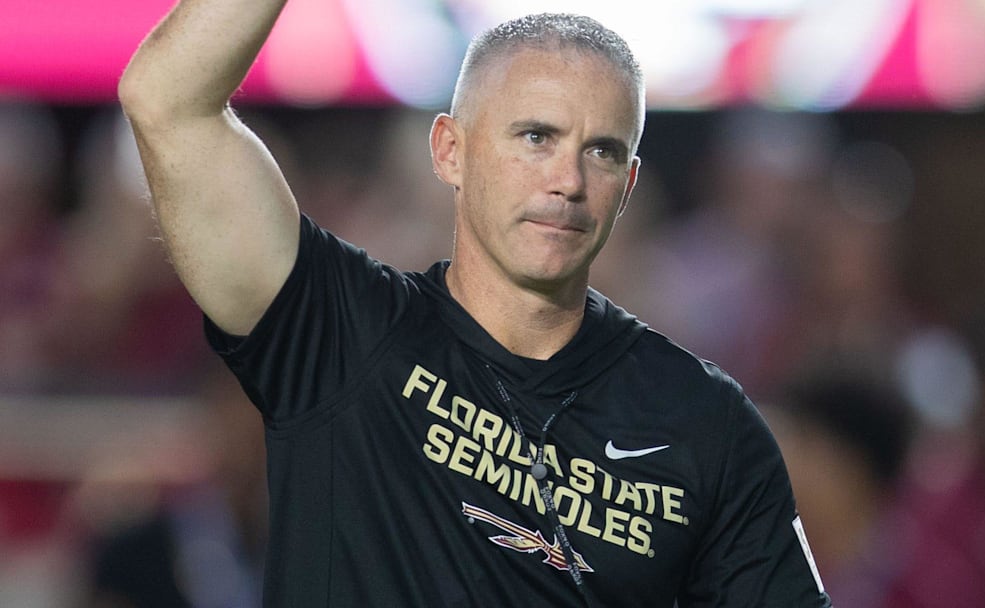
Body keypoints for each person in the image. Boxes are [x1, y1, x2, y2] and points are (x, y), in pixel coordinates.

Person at [119, 5, 831, 606]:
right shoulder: (337, 331)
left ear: (631, 182)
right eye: (535, 137)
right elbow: (166, 101)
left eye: (604, 152)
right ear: (449, 150)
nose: (569, 180)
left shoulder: (708, 423)